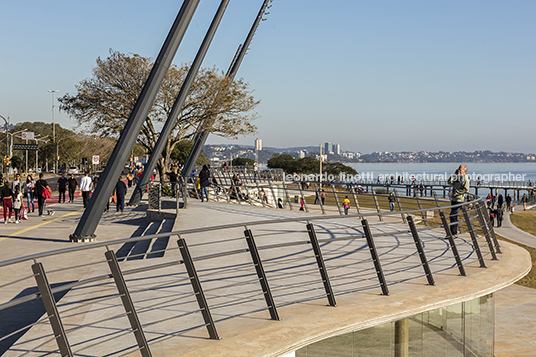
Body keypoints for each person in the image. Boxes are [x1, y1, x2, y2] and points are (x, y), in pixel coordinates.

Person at [447, 165, 470, 236]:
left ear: (465, 171)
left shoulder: (465, 178)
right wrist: (454, 175)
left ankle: (453, 233)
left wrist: (457, 193)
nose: (459, 171)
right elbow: (449, 183)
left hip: (459, 199)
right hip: (453, 199)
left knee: (453, 215)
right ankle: (452, 232)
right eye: (458, 169)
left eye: (460, 170)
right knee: (453, 215)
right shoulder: (457, 177)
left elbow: (466, 189)